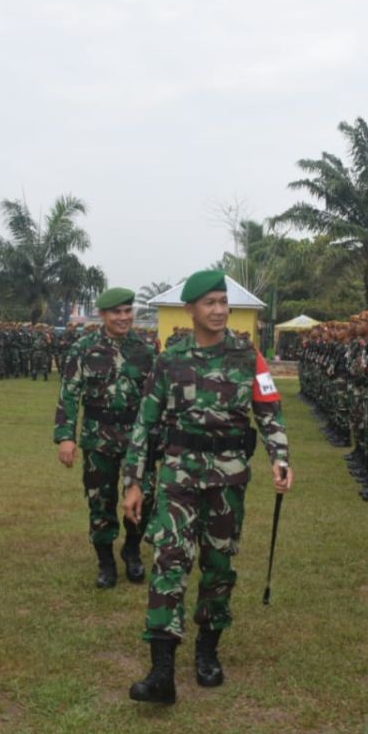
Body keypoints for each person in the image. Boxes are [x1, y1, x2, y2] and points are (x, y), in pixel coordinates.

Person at [122, 270, 293, 704]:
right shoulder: (170, 359)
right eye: (210, 303)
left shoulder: (248, 356)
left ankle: (207, 651)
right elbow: (145, 421)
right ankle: (162, 671)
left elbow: (269, 411)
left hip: (228, 478)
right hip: (178, 475)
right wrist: (134, 482)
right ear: (191, 309)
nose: (219, 310)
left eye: (223, 302)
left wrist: (280, 457)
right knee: (169, 561)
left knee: (219, 566)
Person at [53, 287, 157, 588]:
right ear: (103, 314)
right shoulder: (84, 348)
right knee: (101, 500)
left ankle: (132, 550)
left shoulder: (147, 350)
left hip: (137, 439)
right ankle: (106, 561)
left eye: (128, 311)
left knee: (144, 496)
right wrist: (65, 437)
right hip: (98, 437)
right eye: (117, 312)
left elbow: (157, 397)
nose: (124, 317)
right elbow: (69, 394)